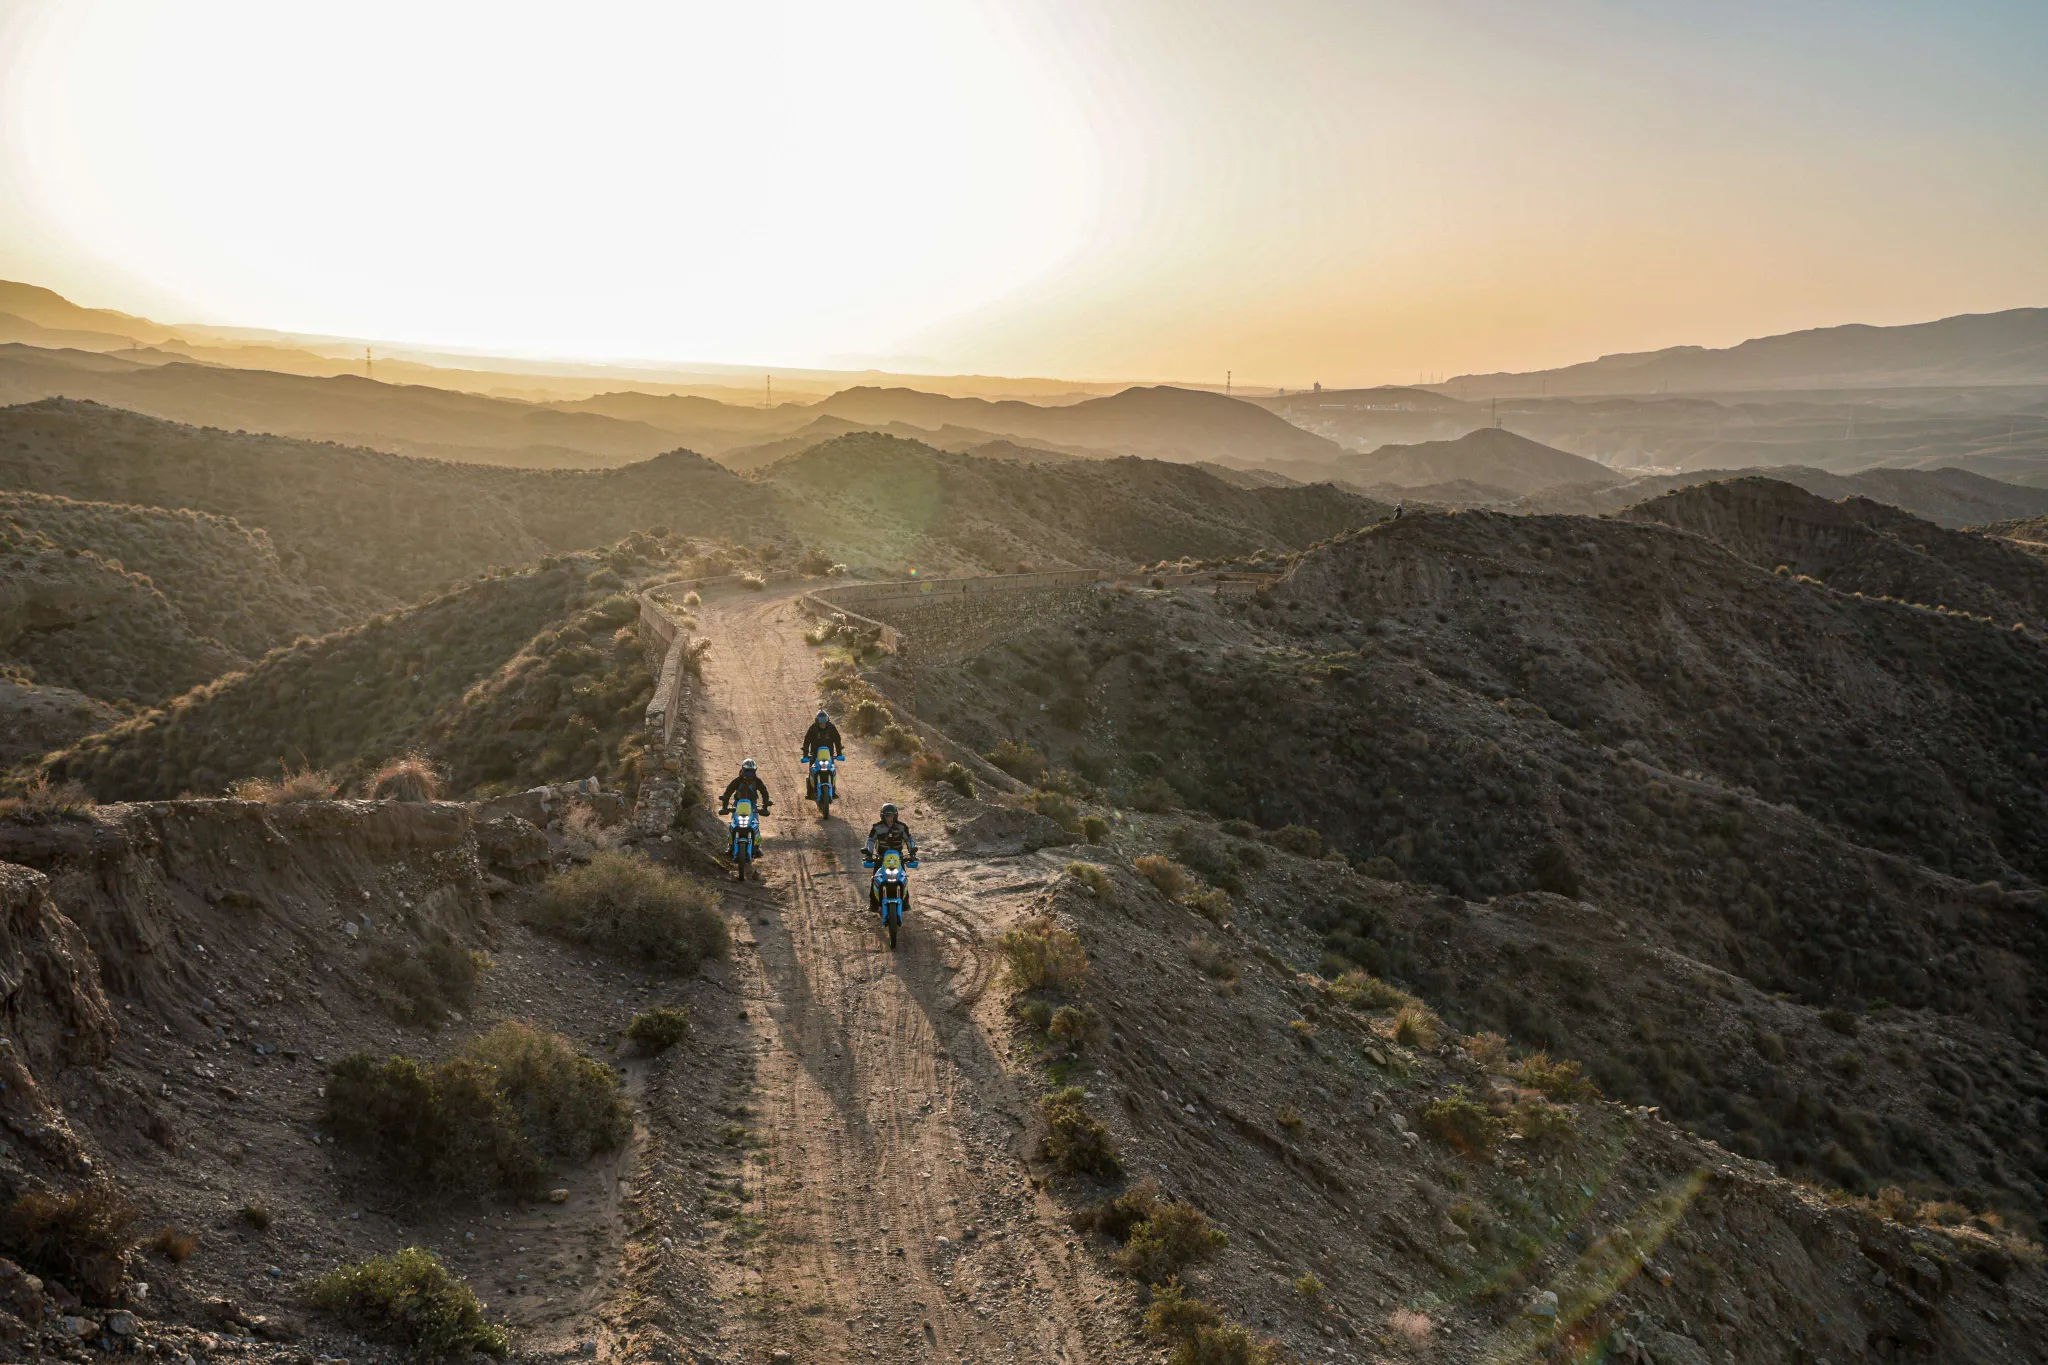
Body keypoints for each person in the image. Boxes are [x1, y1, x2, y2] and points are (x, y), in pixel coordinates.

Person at [864, 802, 918, 912]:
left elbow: (909, 840)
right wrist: (868, 854)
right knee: (875, 878)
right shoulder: (877, 827)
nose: (890, 818)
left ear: (896, 816)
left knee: (903, 878)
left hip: (898, 858)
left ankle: (905, 903)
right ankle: (873, 904)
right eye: (887, 816)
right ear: (882, 816)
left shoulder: (902, 827)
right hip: (881, 858)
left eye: (892, 816)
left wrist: (912, 853)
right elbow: (870, 840)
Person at [802, 709, 844, 801]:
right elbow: (806, 742)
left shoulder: (831, 728)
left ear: (827, 721)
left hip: (828, 756)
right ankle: (810, 792)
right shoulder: (813, 728)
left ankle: (832, 791)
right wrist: (805, 755)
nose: (823, 724)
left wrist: (839, 754)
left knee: (832, 772)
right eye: (821, 723)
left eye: (824, 722)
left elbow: (837, 740)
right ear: (817, 721)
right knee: (812, 772)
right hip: (815, 755)